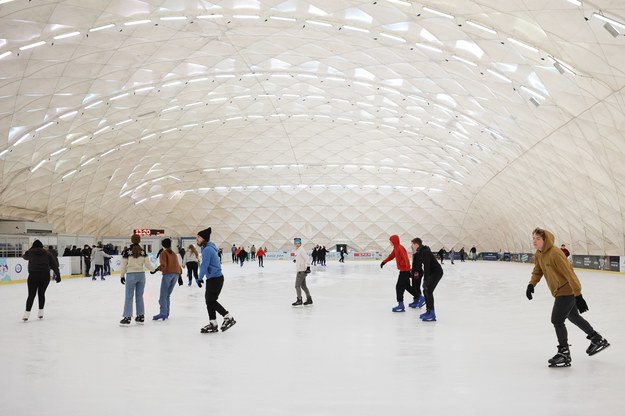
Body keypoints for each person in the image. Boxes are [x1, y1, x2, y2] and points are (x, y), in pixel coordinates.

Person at [526, 228, 610, 367]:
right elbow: (538, 271)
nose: (534, 240)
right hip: (560, 290)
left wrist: (578, 295)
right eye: (534, 237)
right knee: (573, 316)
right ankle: (596, 338)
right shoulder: (539, 254)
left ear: (545, 240)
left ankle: (564, 353)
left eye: (538, 238)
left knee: (557, 319)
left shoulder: (555, 253)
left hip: (566, 290)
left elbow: (570, 274)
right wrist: (531, 285)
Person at [196, 227, 236, 333]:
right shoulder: (206, 248)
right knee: (209, 301)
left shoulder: (207, 250)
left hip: (215, 278)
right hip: (212, 278)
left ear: (204, 238)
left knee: (211, 301)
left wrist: (199, 278)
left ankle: (228, 317)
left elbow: (204, 265)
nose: (197, 239)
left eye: (198, 237)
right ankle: (213, 322)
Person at [119, 234, 156, 325]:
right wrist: (153, 270)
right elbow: (147, 264)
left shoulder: (126, 251)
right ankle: (141, 316)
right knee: (139, 296)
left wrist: (122, 276)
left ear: (131, 240)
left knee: (129, 296)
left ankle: (127, 317)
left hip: (131, 275)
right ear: (139, 241)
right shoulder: (143, 251)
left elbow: (123, 265)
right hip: (141, 276)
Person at [22, 240, 61, 321]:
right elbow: (54, 264)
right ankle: (40, 313)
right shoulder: (47, 253)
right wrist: (58, 275)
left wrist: (30, 249)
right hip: (45, 275)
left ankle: (26, 314)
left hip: (33, 275)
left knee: (31, 295)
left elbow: (24, 256)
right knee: (41, 293)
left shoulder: (31, 252)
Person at [380, 235, 417, 312]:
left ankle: (401, 305)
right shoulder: (396, 248)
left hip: (404, 271)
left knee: (399, 287)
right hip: (404, 270)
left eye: (390, 241)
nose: (390, 242)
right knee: (406, 286)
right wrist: (384, 262)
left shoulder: (400, 248)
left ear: (394, 240)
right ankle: (419, 297)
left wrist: (408, 270)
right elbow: (391, 256)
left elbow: (405, 258)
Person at [411, 238, 444, 321]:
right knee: (425, 290)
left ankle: (432, 313)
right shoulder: (421, 251)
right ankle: (428, 310)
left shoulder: (424, 252)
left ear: (416, 244)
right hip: (432, 273)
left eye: (412, 244)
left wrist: (426, 280)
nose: (412, 246)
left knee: (428, 290)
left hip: (436, 272)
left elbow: (426, 267)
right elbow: (418, 263)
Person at [153, 238, 183, 321]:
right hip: (176, 275)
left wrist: (156, 269)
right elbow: (178, 265)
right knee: (167, 295)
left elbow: (163, 264)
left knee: (163, 295)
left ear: (163, 245)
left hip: (168, 274)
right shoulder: (173, 253)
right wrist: (180, 276)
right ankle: (166, 313)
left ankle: (163, 313)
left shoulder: (163, 253)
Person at [292, 237, 312, 306]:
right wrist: (295, 259)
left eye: (298, 243)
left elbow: (307, 258)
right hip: (301, 270)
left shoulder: (301, 250)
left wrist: (308, 267)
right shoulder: (297, 250)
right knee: (303, 286)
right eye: (296, 243)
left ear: (300, 243)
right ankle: (309, 299)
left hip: (301, 271)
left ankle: (299, 300)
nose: (297, 244)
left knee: (297, 286)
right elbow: (299, 257)